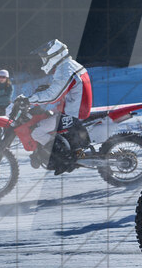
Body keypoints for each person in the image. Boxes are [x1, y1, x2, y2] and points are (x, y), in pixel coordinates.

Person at [26, 39, 93, 174]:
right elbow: (62, 88)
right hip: (74, 107)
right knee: (46, 120)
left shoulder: (64, 69)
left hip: (74, 112)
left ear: (54, 55)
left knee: (37, 131)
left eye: (44, 57)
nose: (43, 60)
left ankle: (63, 159)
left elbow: (53, 96)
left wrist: (29, 101)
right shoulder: (69, 65)